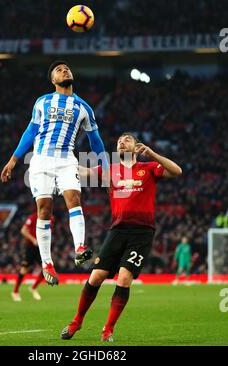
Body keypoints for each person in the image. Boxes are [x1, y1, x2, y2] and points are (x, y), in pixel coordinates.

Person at [61, 132, 182, 342]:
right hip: (117, 231)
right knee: (95, 277)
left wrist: (152, 154)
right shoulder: (110, 171)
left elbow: (177, 171)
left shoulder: (148, 168)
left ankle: (108, 329)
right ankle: (77, 321)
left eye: (127, 140)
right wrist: (64, 160)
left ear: (136, 147)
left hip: (141, 233)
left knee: (124, 279)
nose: (121, 143)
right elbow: (83, 171)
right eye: (119, 141)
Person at [0, 60, 109, 286]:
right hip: (40, 160)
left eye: (67, 68)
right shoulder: (42, 102)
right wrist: (13, 160)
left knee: (74, 198)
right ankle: (47, 262)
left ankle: (80, 247)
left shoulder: (83, 108)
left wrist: (106, 170)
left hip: (66, 159)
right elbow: (30, 131)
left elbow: (95, 141)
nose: (64, 70)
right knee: (44, 209)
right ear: (53, 80)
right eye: (59, 70)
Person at [12, 212, 54, 302]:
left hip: (42, 247)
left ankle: (33, 288)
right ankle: (15, 292)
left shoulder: (51, 219)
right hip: (30, 246)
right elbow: (23, 230)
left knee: (47, 269)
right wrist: (33, 240)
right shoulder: (33, 217)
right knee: (24, 269)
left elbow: (49, 232)